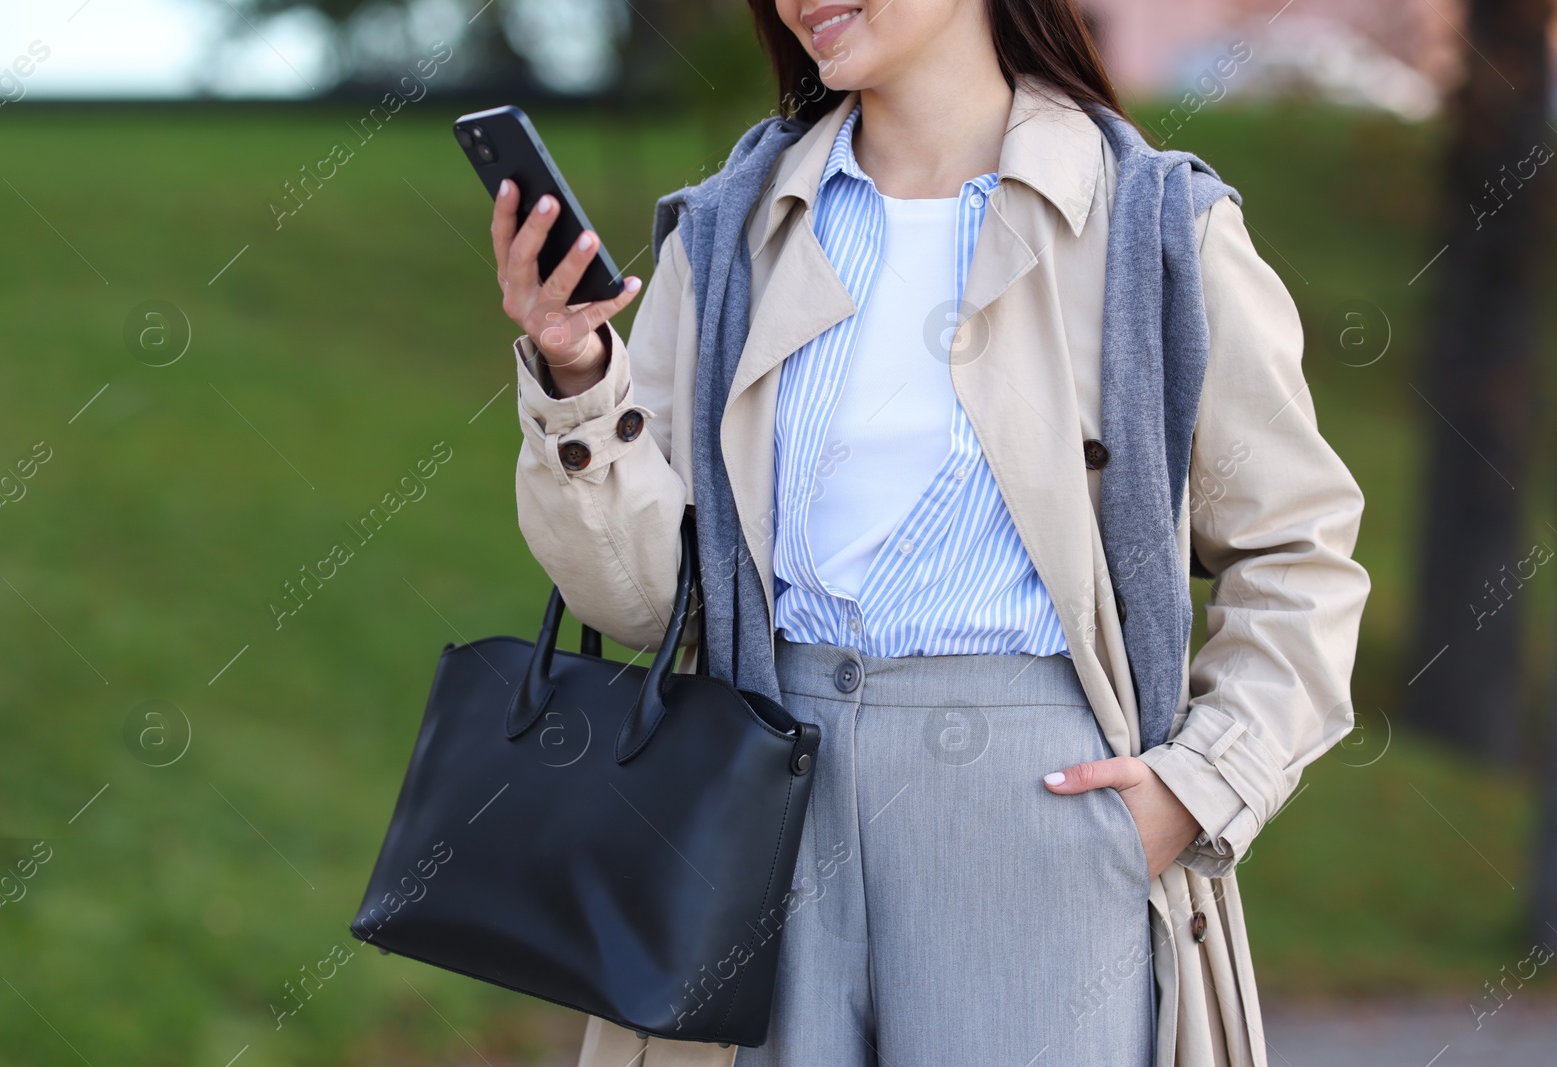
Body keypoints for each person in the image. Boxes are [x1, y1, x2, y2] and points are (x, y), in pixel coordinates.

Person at [491, 1, 1369, 1065]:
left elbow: (1298, 552)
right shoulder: (725, 232)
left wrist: (1192, 789)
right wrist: (578, 381)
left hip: (1037, 815)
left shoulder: (1153, 226)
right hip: (757, 804)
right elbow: (637, 601)